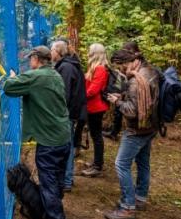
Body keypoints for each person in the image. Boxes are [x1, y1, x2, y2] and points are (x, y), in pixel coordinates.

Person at [4, 46, 71, 219]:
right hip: (63, 136)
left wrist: (12, 77)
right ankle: (53, 207)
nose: (29, 62)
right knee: (57, 177)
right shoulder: (54, 74)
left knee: (48, 180)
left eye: (30, 58)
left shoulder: (36, 77)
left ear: (36, 59)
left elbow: (9, 88)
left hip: (49, 140)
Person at [104, 49, 160, 219]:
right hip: (151, 127)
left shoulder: (136, 81)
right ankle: (140, 198)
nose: (122, 69)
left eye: (124, 65)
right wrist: (124, 96)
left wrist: (117, 101)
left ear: (134, 61)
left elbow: (131, 111)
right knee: (143, 163)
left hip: (137, 130)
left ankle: (128, 207)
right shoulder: (150, 71)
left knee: (121, 164)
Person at [50, 40, 86, 192]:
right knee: (66, 145)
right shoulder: (68, 65)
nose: (50, 52)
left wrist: (57, 113)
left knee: (66, 146)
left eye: (52, 49)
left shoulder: (66, 67)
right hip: (69, 113)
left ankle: (66, 180)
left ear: (58, 52)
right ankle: (66, 178)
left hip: (66, 114)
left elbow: (64, 94)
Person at [80, 43, 110, 177]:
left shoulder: (100, 69)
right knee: (95, 135)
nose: (88, 53)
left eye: (90, 51)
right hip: (93, 106)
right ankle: (97, 162)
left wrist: (80, 95)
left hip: (96, 107)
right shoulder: (96, 68)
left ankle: (98, 165)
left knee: (97, 136)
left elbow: (93, 90)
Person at [103, 41, 140, 141]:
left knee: (123, 108)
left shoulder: (137, 62)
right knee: (118, 109)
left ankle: (115, 131)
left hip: (130, 88)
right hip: (123, 85)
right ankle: (114, 131)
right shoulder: (128, 60)